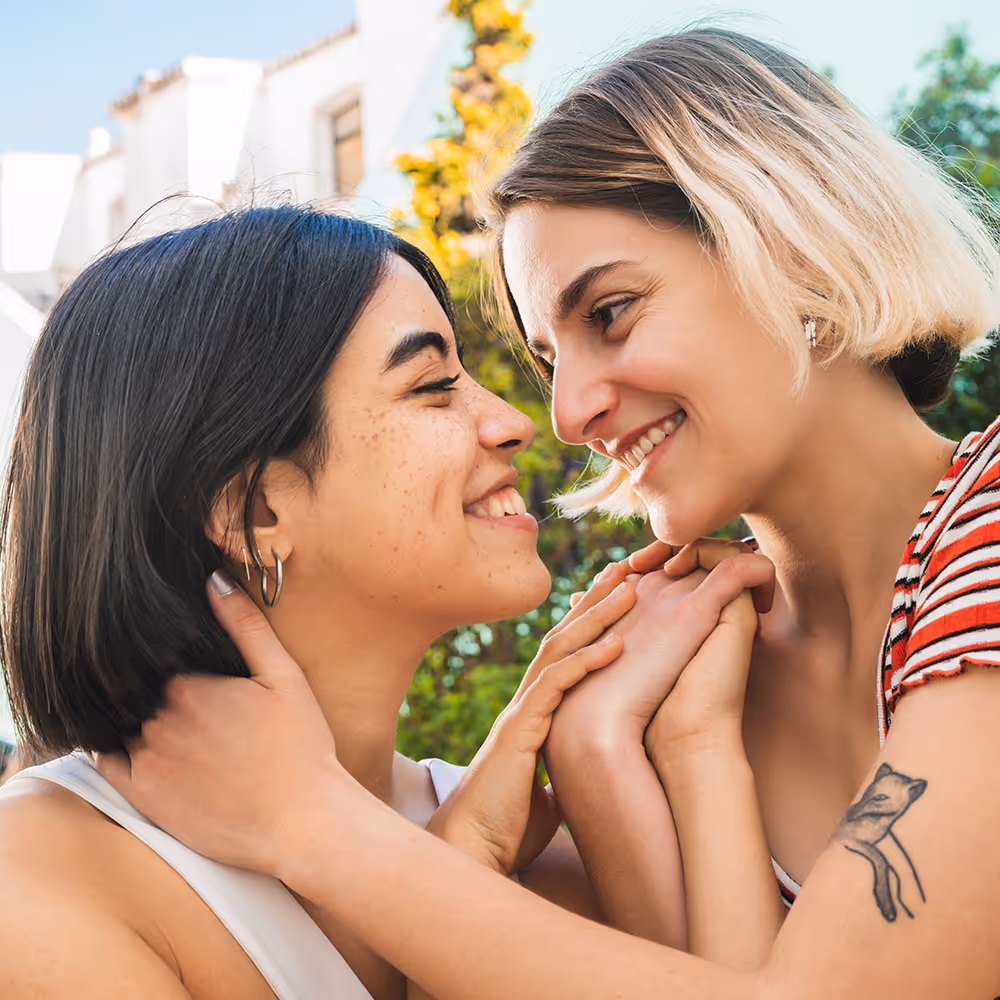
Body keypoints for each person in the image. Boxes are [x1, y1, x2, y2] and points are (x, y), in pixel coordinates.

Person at [100, 28, 1000, 1000]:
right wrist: (610, 748)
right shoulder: (683, 667)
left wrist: (311, 822)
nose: (568, 414)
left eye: (610, 313)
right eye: (549, 357)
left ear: (794, 242)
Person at [0, 205, 761, 999]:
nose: (514, 423)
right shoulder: (40, 879)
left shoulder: (510, 827)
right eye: (433, 386)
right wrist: (457, 855)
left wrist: (647, 744)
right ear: (257, 511)